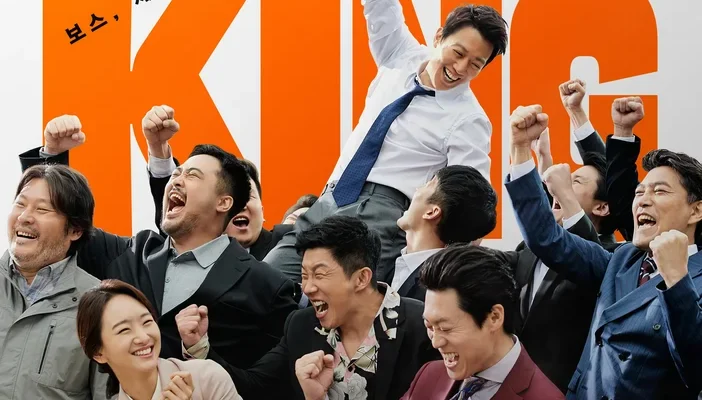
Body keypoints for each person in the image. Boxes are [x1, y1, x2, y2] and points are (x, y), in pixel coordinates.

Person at [20, 110, 298, 372]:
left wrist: (201, 354)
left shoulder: (268, 286)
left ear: (224, 202)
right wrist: (52, 157)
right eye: (176, 173)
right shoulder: (130, 253)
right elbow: (64, 224)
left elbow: (269, 384)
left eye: (192, 175)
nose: (176, 180)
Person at [264, 1, 509, 284]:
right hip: (331, 198)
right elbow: (380, 7)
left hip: (383, 217)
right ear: (439, 36)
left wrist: (443, 273)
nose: (460, 68)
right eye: (458, 53)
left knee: (336, 299)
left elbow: (472, 202)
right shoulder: (401, 55)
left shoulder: (469, 120)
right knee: (265, 280)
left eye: (476, 64)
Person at [505, 104, 702, 398]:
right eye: (639, 192)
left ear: (695, 211)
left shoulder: (693, 277)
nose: (643, 200)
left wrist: (677, 281)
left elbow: (696, 367)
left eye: (659, 191)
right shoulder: (621, 259)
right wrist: (521, 150)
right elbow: (546, 237)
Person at [182, 215, 437, 399]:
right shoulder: (301, 325)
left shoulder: (423, 325)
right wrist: (199, 347)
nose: (307, 288)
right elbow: (253, 387)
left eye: (319, 274)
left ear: (361, 278)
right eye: (304, 275)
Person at [0, 163, 110, 399]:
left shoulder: (98, 307)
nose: (24, 217)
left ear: (75, 230)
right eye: (20, 204)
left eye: (42, 209)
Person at [401, 245, 564, 399]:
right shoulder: (428, 375)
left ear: (494, 317)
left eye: (445, 328)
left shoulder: (543, 396)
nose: (436, 342)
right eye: (430, 326)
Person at [77, 279, 242, 399]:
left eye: (147, 321)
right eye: (124, 330)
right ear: (98, 353)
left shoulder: (207, 378)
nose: (143, 337)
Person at [147, 132, 294, 261]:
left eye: (249, 197)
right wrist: (158, 148)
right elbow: (178, 212)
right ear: (221, 205)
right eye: (235, 199)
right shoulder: (185, 248)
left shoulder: (286, 241)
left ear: (262, 211)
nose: (241, 206)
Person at [391, 165, 497, 301]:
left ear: (432, 212)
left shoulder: (436, 288)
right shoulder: (388, 258)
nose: (417, 190)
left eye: (427, 185)